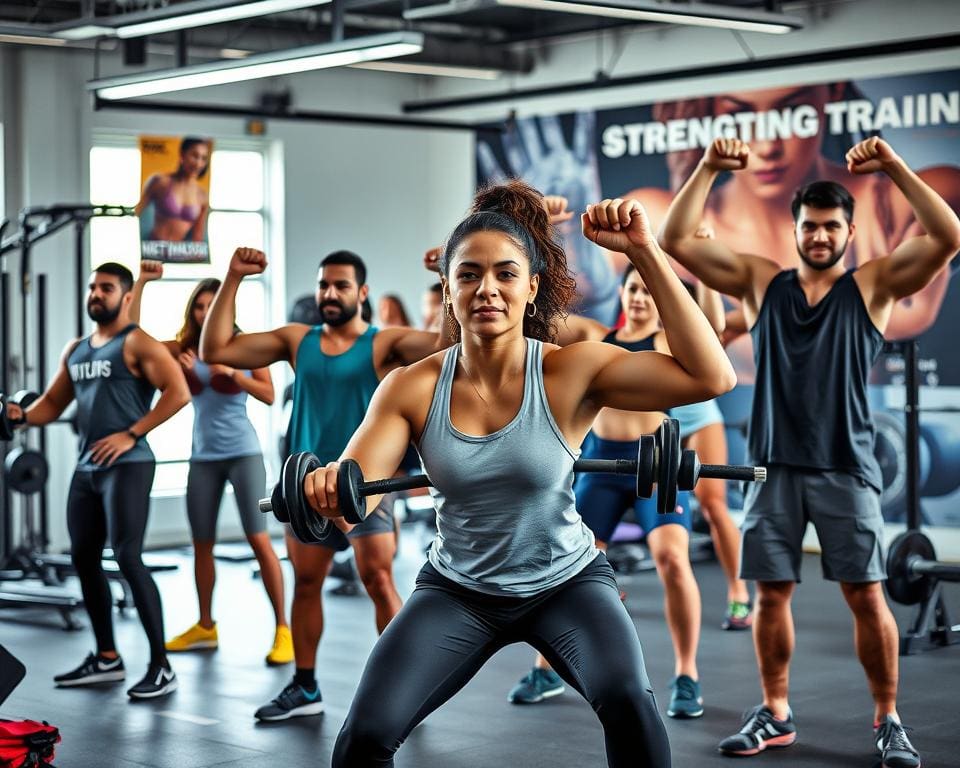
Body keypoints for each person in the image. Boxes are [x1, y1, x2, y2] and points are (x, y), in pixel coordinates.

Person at [302, 180, 735, 767]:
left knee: (630, 704)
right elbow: (360, 492)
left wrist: (643, 251)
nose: (488, 289)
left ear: (532, 288)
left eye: (506, 274)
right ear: (448, 288)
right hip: (458, 590)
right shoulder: (412, 387)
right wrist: (330, 489)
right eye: (469, 274)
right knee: (362, 740)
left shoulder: (569, 372)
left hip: (567, 583)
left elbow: (712, 378)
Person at [659, 136, 960, 767]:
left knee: (867, 595)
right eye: (809, 226)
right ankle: (775, 712)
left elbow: (947, 237)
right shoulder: (761, 282)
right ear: (794, 229)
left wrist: (893, 168)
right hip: (772, 468)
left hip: (846, 467)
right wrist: (710, 167)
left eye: (830, 227)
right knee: (770, 595)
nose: (819, 236)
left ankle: (888, 719)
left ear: (849, 232)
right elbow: (677, 240)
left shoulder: (873, 287)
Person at [200, 247, 447, 721]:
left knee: (377, 580)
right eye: (323, 285)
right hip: (305, 488)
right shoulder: (298, 340)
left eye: (340, 286)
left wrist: (445, 275)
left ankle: (404, 693)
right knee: (307, 582)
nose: (329, 294)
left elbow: (447, 347)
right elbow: (216, 350)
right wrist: (232, 277)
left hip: (364, 488)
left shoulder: (382, 343)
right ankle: (305, 686)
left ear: (363, 293)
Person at [3, 263, 191, 699]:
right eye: (92, 286)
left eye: (105, 288)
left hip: (129, 466)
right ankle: (107, 658)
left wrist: (132, 433)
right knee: (85, 558)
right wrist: (21, 417)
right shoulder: (78, 349)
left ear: (126, 297)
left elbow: (178, 391)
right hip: (87, 468)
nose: (95, 294)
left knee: (128, 556)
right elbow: (51, 404)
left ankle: (161, 666)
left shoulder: (138, 343)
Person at [128, 261, 292, 666]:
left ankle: (283, 630)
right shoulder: (183, 348)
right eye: (199, 306)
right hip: (202, 456)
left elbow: (269, 395)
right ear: (192, 311)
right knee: (201, 543)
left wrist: (230, 373)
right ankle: (205, 626)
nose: (205, 313)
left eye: (212, 305)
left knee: (258, 540)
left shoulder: (242, 346)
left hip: (243, 453)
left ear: (226, 307)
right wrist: (144, 281)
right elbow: (132, 338)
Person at [135, 137, 211, 245]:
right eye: (195, 155)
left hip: (179, 254)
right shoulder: (160, 182)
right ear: (182, 155)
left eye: (203, 158)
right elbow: (138, 213)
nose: (198, 163)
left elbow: (197, 236)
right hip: (153, 250)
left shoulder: (202, 195)